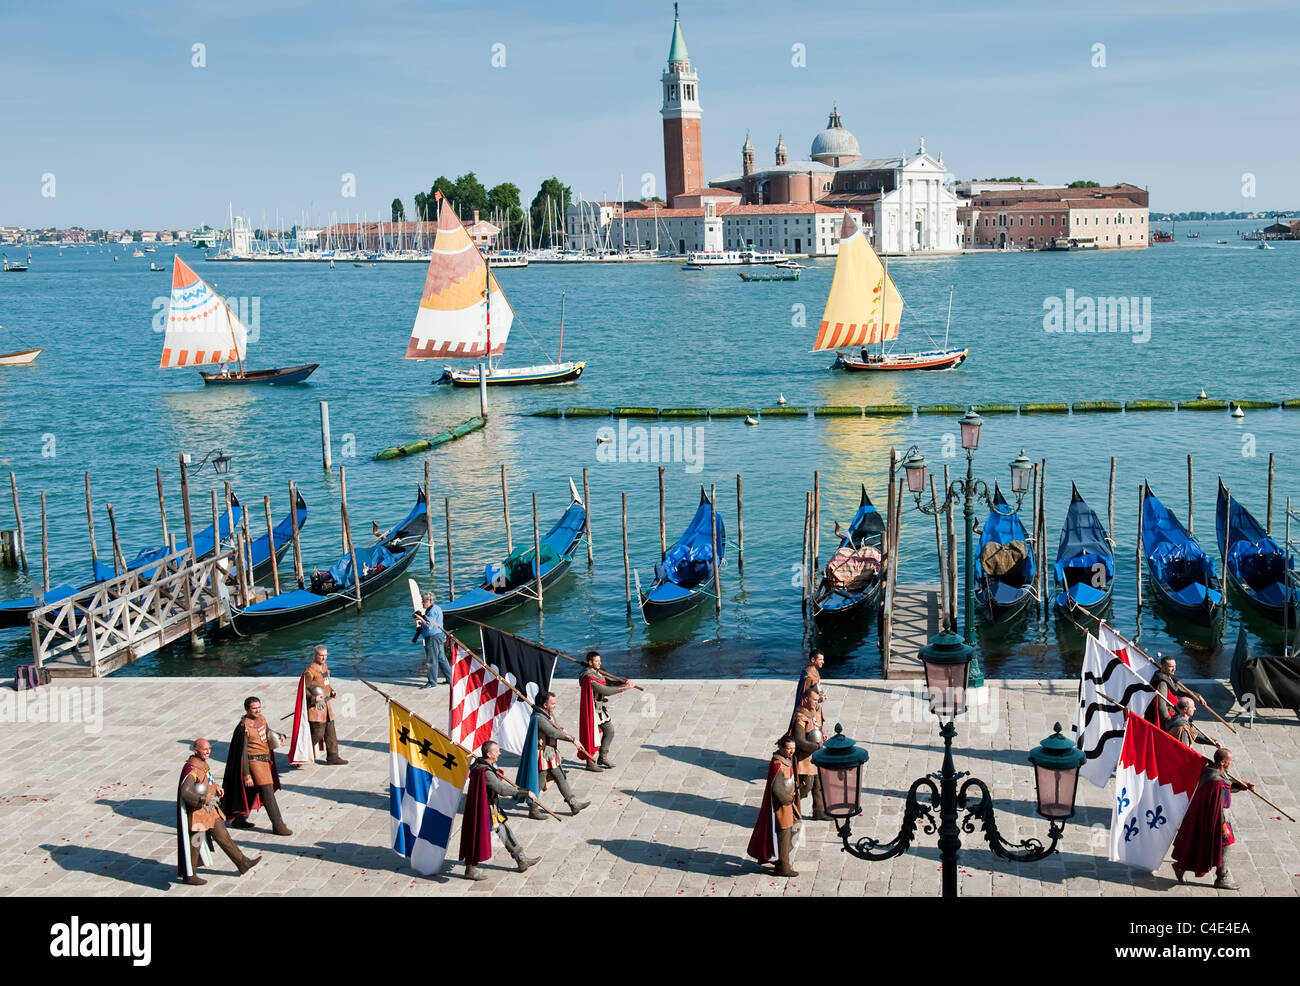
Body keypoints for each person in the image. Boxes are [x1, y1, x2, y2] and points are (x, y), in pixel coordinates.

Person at [176, 738, 261, 886]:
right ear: (196, 750)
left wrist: (216, 788)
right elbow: (186, 792)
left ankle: (242, 862)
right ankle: (190, 874)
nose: (208, 751)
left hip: (210, 810)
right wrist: (205, 798)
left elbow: (207, 781)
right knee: (196, 842)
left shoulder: (202, 764)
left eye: (209, 748)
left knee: (223, 835)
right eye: (204, 749)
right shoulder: (191, 770)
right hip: (198, 813)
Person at [1171, 747, 1255, 890]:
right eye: (1229, 761)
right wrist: (1223, 826)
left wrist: (1242, 786)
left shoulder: (1212, 771)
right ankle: (1222, 878)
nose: (1231, 763)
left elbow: (1226, 786)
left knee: (1199, 843)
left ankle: (1181, 866)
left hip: (1211, 816)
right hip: (1216, 819)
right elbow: (1219, 803)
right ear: (1222, 762)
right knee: (1226, 844)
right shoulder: (1216, 782)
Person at [459, 740, 540, 881]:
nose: (500, 753)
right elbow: (501, 789)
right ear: (489, 754)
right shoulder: (485, 772)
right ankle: (470, 870)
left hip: (490, 808)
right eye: (497, 751)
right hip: (483, 811)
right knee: (477, 837)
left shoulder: (482, 764)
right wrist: (524, 792)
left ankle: (521, 859)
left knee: (504, 830)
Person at [221, 697, 293, 836]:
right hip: (254, 763)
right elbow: (242, 752)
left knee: (252, 791)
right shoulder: (243, 727)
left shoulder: (262, 719)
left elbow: (267, 732)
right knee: (268, 793)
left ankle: (238, 819)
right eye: (254, 708)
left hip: (265, 761)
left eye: (259, 707)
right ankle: (278, 825)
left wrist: (280, 735)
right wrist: (246, 774)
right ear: (247, 709)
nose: (257, 710)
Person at [525, 691, 590, 818]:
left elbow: (557, 727)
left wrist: (563, 729)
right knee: (538, 782)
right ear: (545, 705)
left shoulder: (548, 713)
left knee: (560, 777)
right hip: (543, 755)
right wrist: (572, 739)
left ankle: (573, 804)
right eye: (552, 703)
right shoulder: (539, 718)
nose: (555, 705)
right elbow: (553, 733)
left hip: (550, 753)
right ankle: (533, 809)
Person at [746, 735, 800, 878]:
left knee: (794, 829)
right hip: (781, 807)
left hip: (788, 804)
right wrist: (789, 799)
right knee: (784, 836)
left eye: (793, 749)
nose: (791, 752)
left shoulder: (785, 761)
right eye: (789, 749)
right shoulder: (778, 765)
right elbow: (777, 790)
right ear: (781, 748)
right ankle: (783, 867)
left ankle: (780, 860)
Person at [578, 651, 635, 771]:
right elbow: (606, 690)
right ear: (590, 662)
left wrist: (623, 681)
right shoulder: (589, 678)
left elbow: (608, 682)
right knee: (591, 736)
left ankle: (602, 757)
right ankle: (589, 762)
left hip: (599, 709)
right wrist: (624, 688)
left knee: (610, 731)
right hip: (591, 711)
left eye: (600, 661)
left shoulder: (597, 673)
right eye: (597, 661)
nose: (600, 663)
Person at [301, 645, 347, 765]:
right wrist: (313, 698)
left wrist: (332, 691)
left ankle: (333, 756)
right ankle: (303, 754)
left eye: (325, 655)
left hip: (326, 705)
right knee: (318, 732)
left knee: (330, 731)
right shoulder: (310, 671)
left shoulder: (325, 668)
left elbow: (326, 684)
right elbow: (304, 689)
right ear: (315, 655)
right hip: (316, 707)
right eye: (321, 655)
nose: (324, 658)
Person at [792, 689, 828, 820]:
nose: (816, 701)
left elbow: (817, 728)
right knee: (806, 786)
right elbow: (799, 740)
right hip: (805, 759)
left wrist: (822, 736)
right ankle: (789, 808)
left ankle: (819, 811)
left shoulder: (815, 711)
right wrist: (815, 746)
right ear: (806, 699)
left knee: (819, 785)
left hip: (816, 756)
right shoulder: (801, 717)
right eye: (814, 699)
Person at [414, 591, 450, 687]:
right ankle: (450, 678)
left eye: (423, 601)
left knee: (432, 660)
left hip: (433, 638)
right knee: (441, 658)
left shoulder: (432, 611)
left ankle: (432, 682)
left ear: (429, 601)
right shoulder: (436, 608)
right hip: (439, 636)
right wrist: (422, 618)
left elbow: (429, 626)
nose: (422, 603)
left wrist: (420, 618)